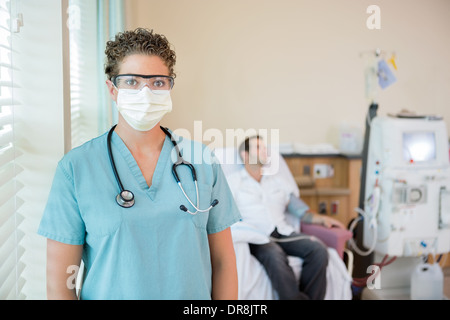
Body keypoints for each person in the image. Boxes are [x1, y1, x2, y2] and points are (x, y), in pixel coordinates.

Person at [37, 28, 241, 300]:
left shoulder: (202, 161)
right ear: (112, 89)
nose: (145, 93)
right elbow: (60, 285)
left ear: (169, 88)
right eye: (131, 81)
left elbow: (224, 263)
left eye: (157, 82)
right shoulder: (76, 169)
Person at [227, 135, 346, 300]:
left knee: (318, 250)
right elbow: (223, 213)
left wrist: (322, 220)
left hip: (283, 233)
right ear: (245, 155)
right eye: (258, 148)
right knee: (275, 256)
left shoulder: (278, 182)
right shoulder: (233, 183)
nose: (264, 151)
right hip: (257, 237)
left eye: (264, 147)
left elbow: (300, 210)